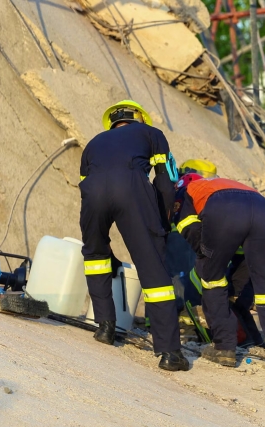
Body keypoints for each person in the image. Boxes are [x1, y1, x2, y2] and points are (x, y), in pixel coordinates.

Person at [79, 99, 188, 371]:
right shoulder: (152, 134)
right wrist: (162, 221)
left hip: (93, 194)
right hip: (131, 188)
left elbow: (85, 185)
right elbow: (165, 181)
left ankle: (104, 326)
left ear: (112, 122)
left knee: (95, 255)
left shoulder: (93, 143)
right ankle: (170, 353)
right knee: (152, 267)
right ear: (139, 118)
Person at [172, 173, 265, 387]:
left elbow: (194, 234)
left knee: (212, 280)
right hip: (264, 210)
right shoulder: (216, 184)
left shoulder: (183, 193)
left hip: (225, 210)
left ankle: (225, 347)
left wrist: (210, 255)